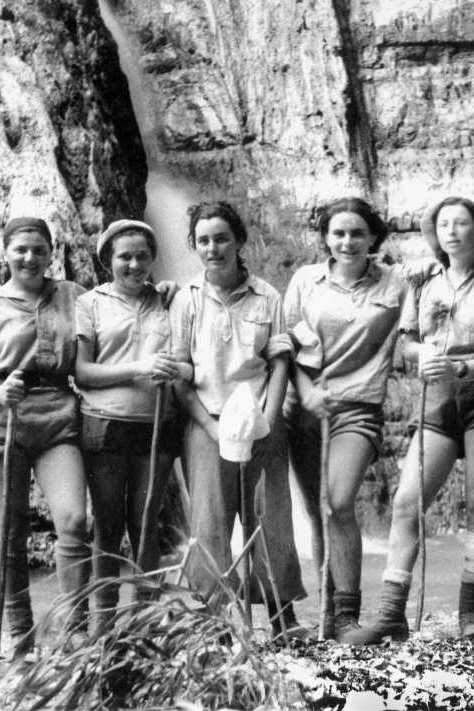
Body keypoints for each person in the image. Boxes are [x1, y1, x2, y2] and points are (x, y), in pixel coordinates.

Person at [347, 196, 474, 644]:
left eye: (462, 223)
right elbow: (405, 344)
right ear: (435, 233)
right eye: (443, 223)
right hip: (438, 402)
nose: (452, 231)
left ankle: (469, 612)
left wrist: (464, 367)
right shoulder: (423, 285)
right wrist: (421, 353)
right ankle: (391, 612)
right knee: (408, 501)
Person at [171, 201, 307, 640]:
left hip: (262, 419)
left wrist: (268, 419)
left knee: (269, 520)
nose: (214, 248)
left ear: (239, 241)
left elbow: (279, 359)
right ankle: (211, 624)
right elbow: (180, 375)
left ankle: (281, 618)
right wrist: (210, 428)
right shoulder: (185, 300)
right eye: (204, 240)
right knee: (210, 524)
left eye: (222, 238)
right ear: (194, 245)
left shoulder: (267, 295)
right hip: (207, 421)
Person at [0, 217, 90, 655]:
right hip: (1, 423)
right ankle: (20, 632)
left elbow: (114, 312)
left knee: (73, 521)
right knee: (11, 529)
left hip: (57, 416)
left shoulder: (73, 295)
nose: (29, 257)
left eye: (38, 249)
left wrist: (160, 293)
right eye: (20, 250)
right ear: (6, 254)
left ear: (52, 252)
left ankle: (75, 628)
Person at [283, 197, 408, 641]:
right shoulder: (305, 281)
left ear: (374, 237)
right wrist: (305, 392)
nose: (348, 241)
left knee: (337, 501)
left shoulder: (397, 283)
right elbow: (286, 347)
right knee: (319, 513)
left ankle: (347, 616)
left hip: (358, 408)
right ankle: (327, 613)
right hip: (306, 408)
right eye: (338, 233)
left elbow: (417, 324)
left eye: (357, 232)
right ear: (325, 239)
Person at [74, 220, 191, 635]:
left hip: (157, 425)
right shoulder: (89, 304)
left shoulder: (169, 301)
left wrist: (172, 369)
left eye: (143, 255)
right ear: (108, 260)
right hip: (104, 425)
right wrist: (139, 367)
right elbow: (83, 372)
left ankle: (146, 622)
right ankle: (103, 626)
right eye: (125, 256)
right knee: (107, 526)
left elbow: (185, 358)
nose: (134, 264)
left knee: (146, 525)